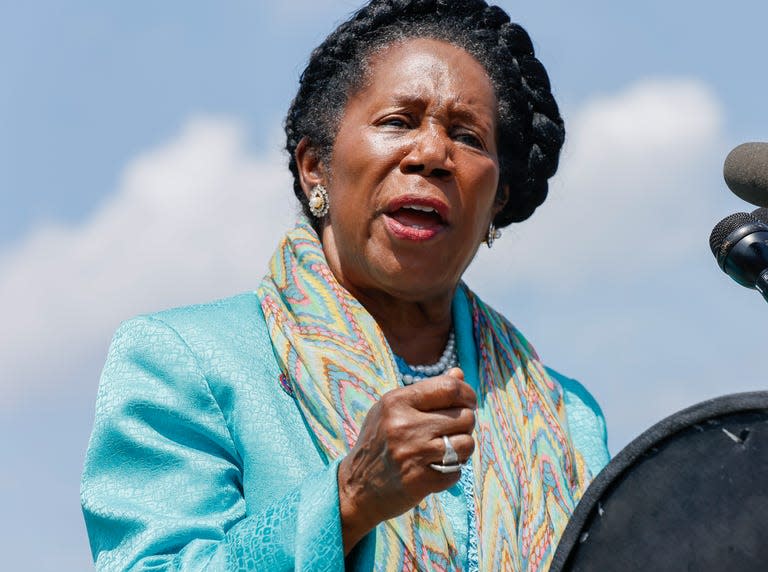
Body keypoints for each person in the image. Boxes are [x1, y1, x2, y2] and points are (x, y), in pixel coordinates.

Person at [81, 0, 610, 570]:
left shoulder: (568, 417)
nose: (433, 154)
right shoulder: (183, 362)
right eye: (398, 122)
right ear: (316, 167)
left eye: (468, 137)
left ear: (496, 202)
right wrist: (350, 498)